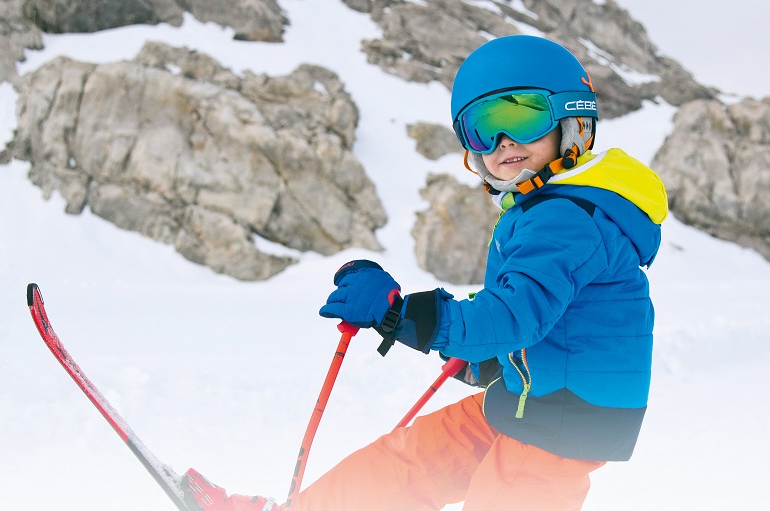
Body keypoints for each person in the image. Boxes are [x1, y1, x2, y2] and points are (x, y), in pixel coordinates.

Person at [182, 34, 668, 511]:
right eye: (481, 128)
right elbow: (552, 314)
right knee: (399, 468)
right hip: (526, 401)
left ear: (572, 118)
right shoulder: (547, 207)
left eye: (520, 117)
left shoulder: (566, 218)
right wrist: (491, 360)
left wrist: (397, 314)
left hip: (555, 429)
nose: (502, 143)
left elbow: (510, 318)